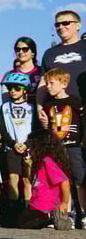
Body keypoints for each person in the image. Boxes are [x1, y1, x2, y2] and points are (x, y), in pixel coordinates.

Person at [40, 67, 86, 228]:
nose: (48, 86)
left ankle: (84, 214)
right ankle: (67, 215)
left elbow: (82, 123)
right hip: (56, 150)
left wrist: (82, 141)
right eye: (46, 83)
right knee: (61, 182)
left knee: (80, 181)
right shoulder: (48, 104)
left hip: (74, 147)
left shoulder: (75, 102)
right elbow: (46, 127)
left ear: (64, 83)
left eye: (51, 83)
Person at [17, 129, 73, 230]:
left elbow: (64, 181)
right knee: (22, 219)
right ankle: (49, 219)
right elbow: (34, 182)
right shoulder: (39, 161)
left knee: (23, 222)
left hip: (45, 205)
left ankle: (50, 218)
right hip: (37, 204)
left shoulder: (47, 161)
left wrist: (64, 202)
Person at [0, 72, 36, 211]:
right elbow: (3, 129)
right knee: (13, 179)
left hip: (28, 148)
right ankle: (13, 210)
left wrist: (27, 144)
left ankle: (28, 209)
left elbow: (35, 128)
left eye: (17, 88)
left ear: (25, 89)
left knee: (27, 179)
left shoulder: (31, 107)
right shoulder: (5, 107)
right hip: (11, 147)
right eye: (10, 88)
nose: (13, 91)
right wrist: (13, 143)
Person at [39, 10, 86, 105]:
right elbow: (43, 83)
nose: (61, 27)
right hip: (57, 111)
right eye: (57, 25)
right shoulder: (49, 53)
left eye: (65, 23)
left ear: (78, 25)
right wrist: (40, 108)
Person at [11, 37, 41, 102]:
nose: (21, 52)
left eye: (25, 49)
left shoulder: (42, 72)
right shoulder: (10, 75)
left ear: (33, 53)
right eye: (18, 49)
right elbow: (6, 102)